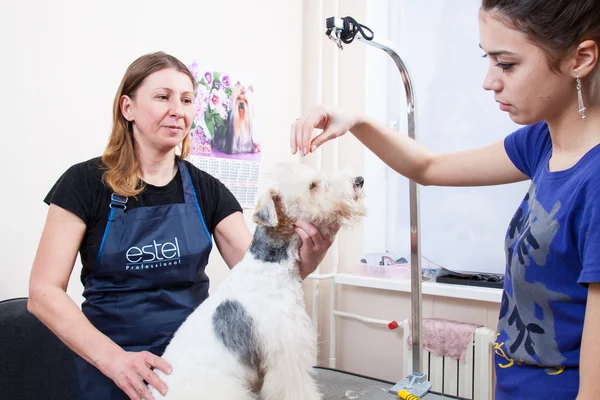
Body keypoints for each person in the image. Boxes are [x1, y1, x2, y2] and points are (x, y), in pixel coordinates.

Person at [291, 1, 600, 398]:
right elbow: (429, 167)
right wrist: (356, 120)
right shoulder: (543, 143)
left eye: (506, 64)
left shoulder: (592, 179)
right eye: (487, 59)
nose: (489, 81)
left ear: (581, 59)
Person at [28, 51, 334, 400]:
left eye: (187, 99)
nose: (179, 110)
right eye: (163, 97)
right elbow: (43, 293)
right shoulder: (83, 183)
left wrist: (315, 253)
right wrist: (114, 361)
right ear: (127, 108)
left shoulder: (207, 189)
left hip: (195, 370)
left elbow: (261, 273)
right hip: (110, 370)